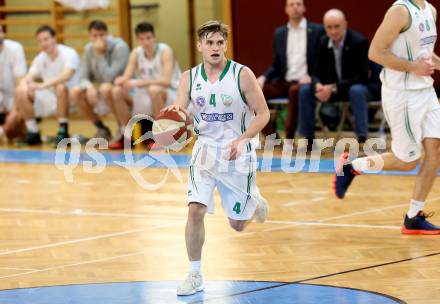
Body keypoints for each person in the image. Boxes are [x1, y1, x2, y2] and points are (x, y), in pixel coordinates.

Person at [162, 21, 270, 296]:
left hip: (237, 153)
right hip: (205, 152)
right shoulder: (189, 77)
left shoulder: (242, 75)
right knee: (195, 210)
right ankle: (194, 274)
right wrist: (172, 118)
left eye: (220, 42)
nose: (215, 47)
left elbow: (263, 114)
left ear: (225, 45)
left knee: (236, 225)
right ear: (200, 46)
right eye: (209, 42)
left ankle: (254, 200)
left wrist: (243, 138)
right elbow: (180, 110)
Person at [335, 0, 440, 235]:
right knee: (408, 161)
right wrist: (413, 67)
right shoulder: (400, 11)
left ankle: (413, 217)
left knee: (436, 150)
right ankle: (352, 166)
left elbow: (426, 55)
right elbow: (376, 52)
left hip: (425, 91)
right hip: (402, 96)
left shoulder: (430, 10)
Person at [298, 9, 371, 148]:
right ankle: (308, 139)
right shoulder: (322, 42)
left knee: (357, 90)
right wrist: (318, 85)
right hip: (331, 89)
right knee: (305, 91)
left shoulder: (359, 42)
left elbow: (361, 76)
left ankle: (362, 138)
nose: (333, 31)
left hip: (355, 87)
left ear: (345, 24)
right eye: (329, 27)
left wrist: (331, 88)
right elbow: (314, 72)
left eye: (337, 26)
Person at [257, 0, 324, 139]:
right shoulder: (279, 33)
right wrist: (263, 77)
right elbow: (276, 65)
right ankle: (272, 138)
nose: (295, 7)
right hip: (284, 81)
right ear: (286, 9)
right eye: (291, 5)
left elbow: (324, 62)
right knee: (254, 93)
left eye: (298, 4)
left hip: (305, 82)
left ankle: (289, 138)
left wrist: (312, 77)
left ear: (304, 8)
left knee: (295, 91)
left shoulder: (317, 31)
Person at [110, 22, 181, 149]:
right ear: (138, 40)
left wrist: (140, 83)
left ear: (154, 37)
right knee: (116, 91)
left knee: (154, 90)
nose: (146, 42)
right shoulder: (136, 53)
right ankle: (126, 135)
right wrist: (120, 81)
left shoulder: (165, 51)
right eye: (142, 39)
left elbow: (166, 81)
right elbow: (126, 76)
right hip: (147, 93)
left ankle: (159, 136)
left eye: (148, 38)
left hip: (171, 94)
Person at [15, 25, 80, 146]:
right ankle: (33, 132)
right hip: (50, 97)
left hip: (70, 97)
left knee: (60, 87)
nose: (43, 43)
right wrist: (24, 84)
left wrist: (42, 85)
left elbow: (66, 75)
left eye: (46, 39)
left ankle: (63, 132)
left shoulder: (69, 53)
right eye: (40, 41)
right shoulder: (40, 58)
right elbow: (30, 76)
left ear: (54, 38)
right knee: (20, 91)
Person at [70, 20, 130, 141]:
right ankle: (102, 129)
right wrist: (89, 87)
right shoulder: (88, 49)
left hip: (123, 92)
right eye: (94, 36)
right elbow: (83, 77)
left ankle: (122, 129)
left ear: (107, 34)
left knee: (106, 88)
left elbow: (110, 77)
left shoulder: (120, 47)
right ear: (90, 36)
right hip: (102, 92)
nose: (98, 39)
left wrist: (99, 54)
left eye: (102, 35)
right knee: (76, 92)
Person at [0, 25, 27, 140]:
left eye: (0, 31)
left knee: (14, 132)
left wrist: (15, 110)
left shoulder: (15, 48)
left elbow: (21, 82)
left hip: (13, 96)